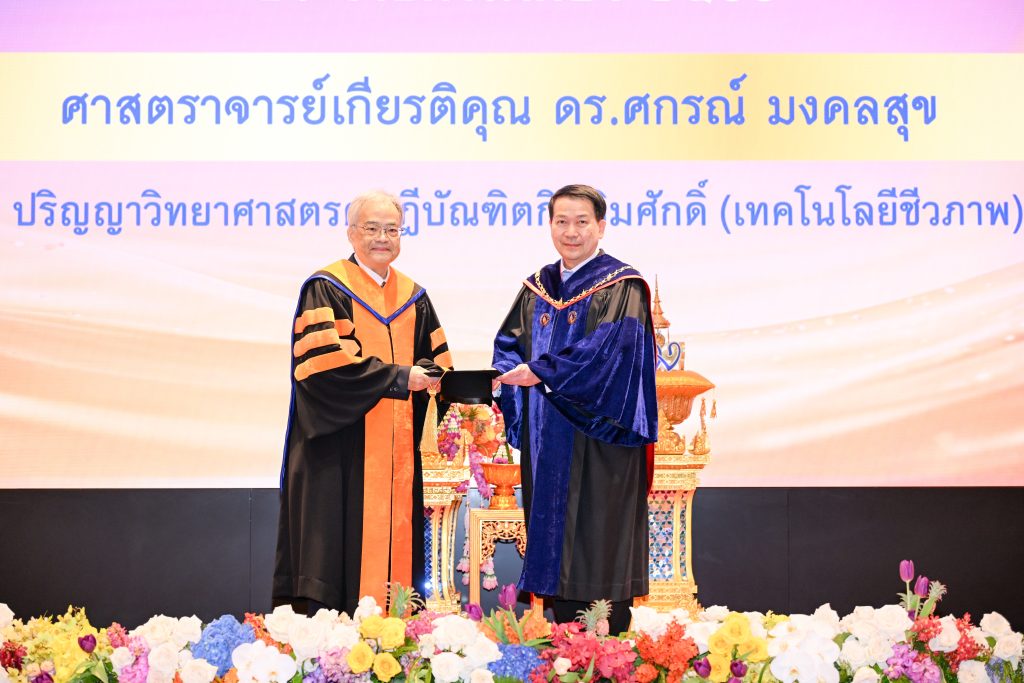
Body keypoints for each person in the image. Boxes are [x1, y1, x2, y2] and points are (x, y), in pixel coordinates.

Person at [274, 190, 452, 615]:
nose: (382, 238)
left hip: (396, 456)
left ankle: (396, 633)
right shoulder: (326, 287)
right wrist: (400, 377)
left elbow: (437, 362)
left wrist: (435, 380)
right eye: (371, 228)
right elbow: (324, 369)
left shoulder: (414, 296)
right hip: (338, 451)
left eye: (392, 229)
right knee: (332, 557)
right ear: (351, 233)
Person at [492, 184, 658, 635]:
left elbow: (612, 350)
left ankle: (608, 649)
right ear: (550, 225)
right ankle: (568, 648)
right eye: (561, 221)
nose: (571, 231)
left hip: (602, 436)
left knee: (598, 544)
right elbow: (509, 343)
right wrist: (506, 373)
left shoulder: (622, 285)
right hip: (549, 438)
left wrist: (541, 372)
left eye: (582, 222)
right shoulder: (538, 288)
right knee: (557, 552)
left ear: (600, 227)